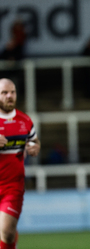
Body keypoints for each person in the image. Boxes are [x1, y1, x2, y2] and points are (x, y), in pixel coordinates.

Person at [0, 78, 41, 249]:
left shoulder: (25, 121)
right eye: (4, 93)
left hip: (12, 186)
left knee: (7, 232)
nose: (10, 96)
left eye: (12, 92)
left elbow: (35, 141)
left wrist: (35, 147)